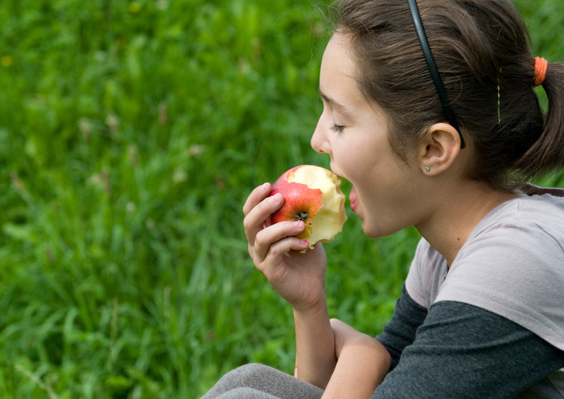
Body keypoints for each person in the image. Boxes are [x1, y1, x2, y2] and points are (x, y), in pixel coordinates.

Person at [200, 0, 564, 397]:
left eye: (339, 122)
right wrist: (310, 306)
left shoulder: (514, 261)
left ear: (433, 149)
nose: (317, 140)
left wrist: (364, 354)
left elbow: (373, 377)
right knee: (249, 383)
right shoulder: (443, 253)